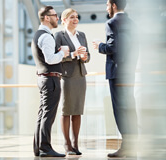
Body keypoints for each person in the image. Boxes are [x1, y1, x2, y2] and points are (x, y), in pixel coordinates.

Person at [92, 0, 138, 158]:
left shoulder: (111, 23)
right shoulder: (132, 24)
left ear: (113, 5)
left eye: (107, 5)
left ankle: (126, 146)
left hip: (117, 73)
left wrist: (99, 46)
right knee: (130, 108)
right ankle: (131, 144)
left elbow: (113, 47)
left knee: (120, 110)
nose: (106, 8)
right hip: (129, 72)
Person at [32, 6, 70, 157]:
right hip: (51, 79)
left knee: (42, 114)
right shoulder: (46, 36)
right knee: (48, 115)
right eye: (55, 15)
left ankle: (38, 147)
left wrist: (60, 52)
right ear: (47, 18)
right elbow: (50, 59)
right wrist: (62, 52)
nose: (58, 18)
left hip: (44, 78)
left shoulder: (38, 34)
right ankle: (45, 148)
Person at [54, 8, 90, 156]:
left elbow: (88, 57)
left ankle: (75, 143)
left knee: (77, 111)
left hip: (81, 76)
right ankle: (67, 143)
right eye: (71, 17)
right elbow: (56, 57)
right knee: (66, 110)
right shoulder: (59, 36)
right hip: (67, 77)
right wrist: (74, 55)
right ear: (64, 20)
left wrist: (83, 57)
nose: (75, 19)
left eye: (76, 17)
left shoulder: (82, 35)